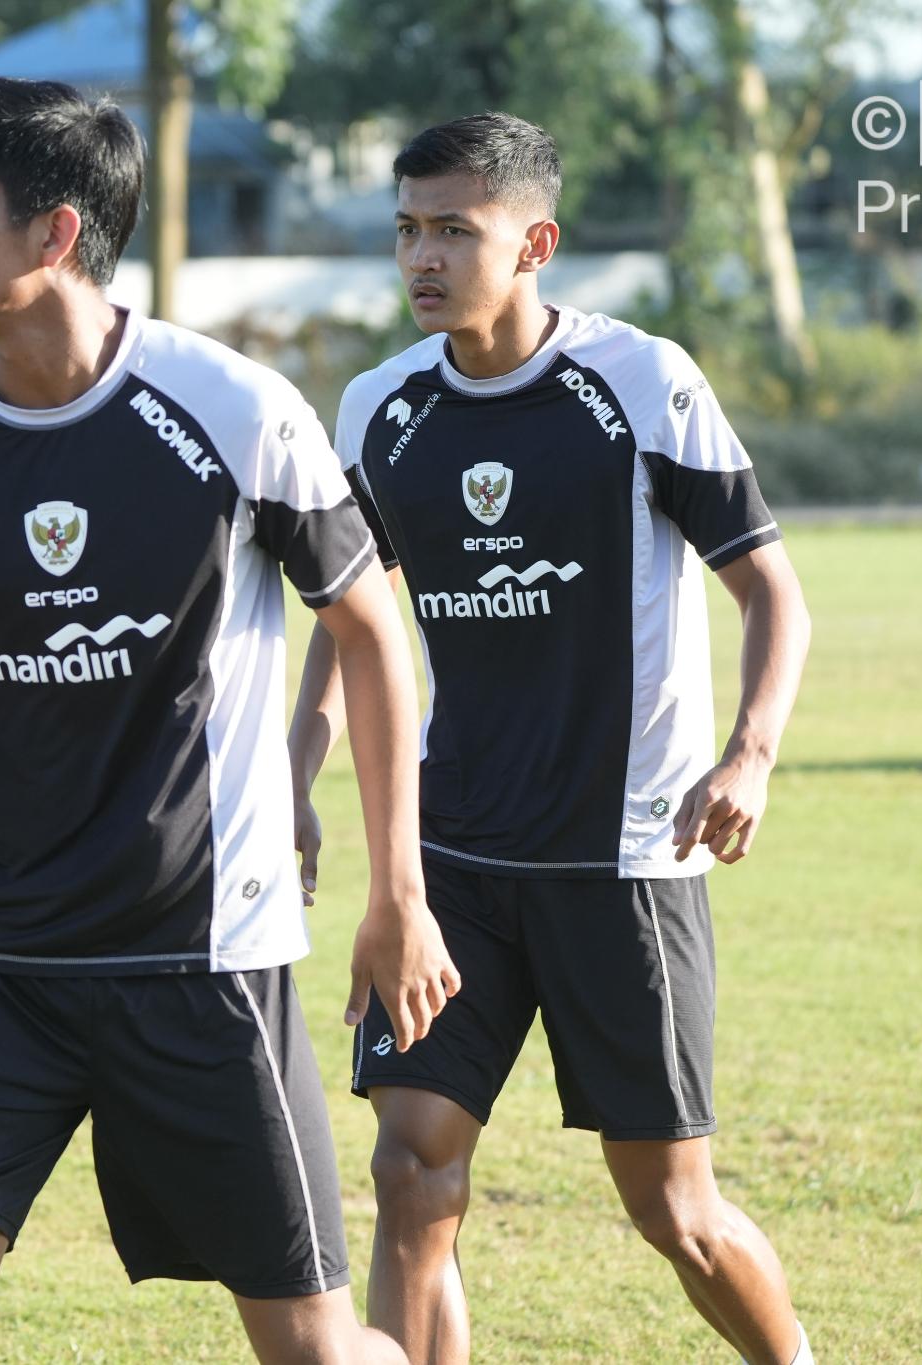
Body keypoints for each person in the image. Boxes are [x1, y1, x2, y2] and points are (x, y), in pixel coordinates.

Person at [0, 77, 459, 1365]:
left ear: (55, 232)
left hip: (201, 957)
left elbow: (371, 634)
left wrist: (399, 895)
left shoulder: (234, 409)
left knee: (313, 1348)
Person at [288, 113, 815, 1365]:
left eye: (451, 231)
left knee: (672, 1211)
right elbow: (350, 623)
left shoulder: (639, 382)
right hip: (451, 863)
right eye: (405, 230)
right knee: (411, 1170)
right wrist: (293, 779)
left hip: (620, 858)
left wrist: (748, 755)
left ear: (533, 245)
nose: (420, 257)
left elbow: (771, 593)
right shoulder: (377, 409)